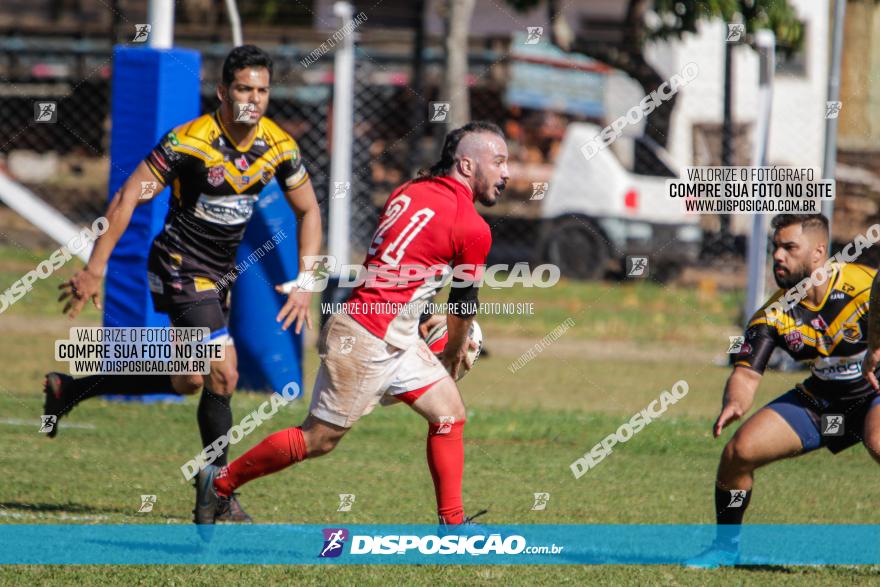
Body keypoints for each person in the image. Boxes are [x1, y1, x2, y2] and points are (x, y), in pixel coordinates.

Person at [46, 45, 322, 522]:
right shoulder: (189, 142)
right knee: (225, 372)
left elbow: (309, 210)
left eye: (261, 90)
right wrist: (96, 267)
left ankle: (70, 389)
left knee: (189, 379)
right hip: (178, 264)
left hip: (219, 276)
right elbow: (130, 194)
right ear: (222, 91)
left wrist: (305, 281)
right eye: (243, 89)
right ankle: (218, 490)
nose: (253, 100)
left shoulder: (278, 146)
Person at [193, 121, 509, 525]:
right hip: (367, 339)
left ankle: (452, 527)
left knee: (448, 414)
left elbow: (401, 266)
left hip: (389, 331)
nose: (506, 173)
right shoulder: (473, 226)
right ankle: (219, 484)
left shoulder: (409, 192)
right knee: (318, 439)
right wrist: (452, 352)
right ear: (467, 165)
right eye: (498, 162)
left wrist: (423, 315)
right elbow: (463, 306)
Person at [687, 214, 880, 568]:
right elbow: (746, 375)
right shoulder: (773, 315)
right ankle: (725, 547)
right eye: (775, 247)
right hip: (823, 401)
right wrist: (734, 402)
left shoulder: (867, 286)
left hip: (875, 391)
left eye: (790, 248)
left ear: (819, 252)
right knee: (738, 453)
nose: (778, 255)